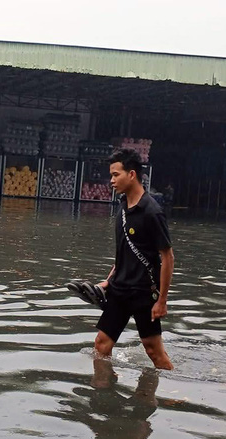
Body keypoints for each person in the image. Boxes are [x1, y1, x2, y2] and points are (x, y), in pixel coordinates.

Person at [70, 149, 174, 369]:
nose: (111, 180)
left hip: (144, 293)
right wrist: (108, 282)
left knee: (154, 352)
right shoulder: (123, 208)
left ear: (132, 175)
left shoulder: (152, 212)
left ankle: (173, 393)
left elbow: (167, 256)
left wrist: (162, 300)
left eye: (116, 175)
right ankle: (103, 393)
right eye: (111, 175)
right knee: (101, 344)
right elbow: (125, 252)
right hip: (119, 290)